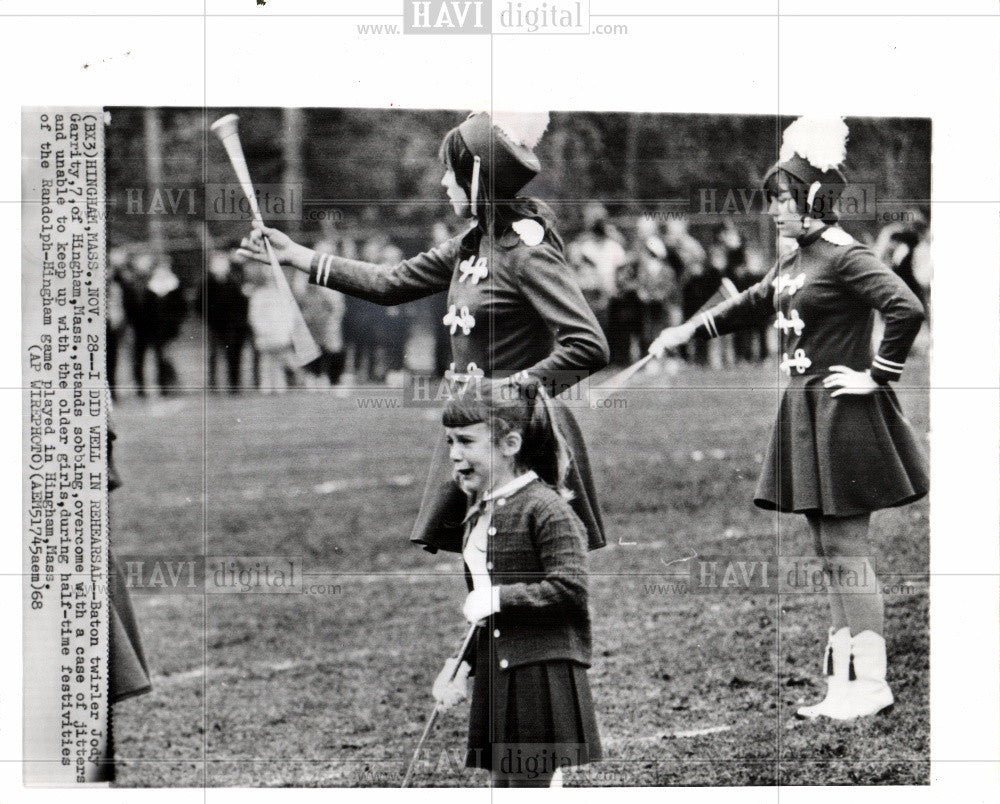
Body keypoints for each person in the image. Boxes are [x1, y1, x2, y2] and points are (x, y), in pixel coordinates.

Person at [649, 117, 928, 721]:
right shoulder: (798, 258)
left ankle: (872, 685)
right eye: (772, 200)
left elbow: (906, 306)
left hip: (846, 412)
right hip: (806, 411)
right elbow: (753, 304)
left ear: (812, 199)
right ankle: (842, 685)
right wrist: (686, 332)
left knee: (847, 549)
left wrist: (877, 374)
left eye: (781, 199)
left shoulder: (845, 256)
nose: (773, 211)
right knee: (828, 550)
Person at [238, 110, 610, 552]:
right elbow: (390, 283)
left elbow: (589, 346)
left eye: (451, 173)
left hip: (520, 435)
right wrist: (296, 254)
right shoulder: (472, 243)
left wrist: (510, 391)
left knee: (518, 575)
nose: (443, 184)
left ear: (476, 177)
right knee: (484, 568)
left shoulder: (525, 252)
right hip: (478, 427)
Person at [430, 379, 602, 787]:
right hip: (500, 673)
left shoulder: (546, 508)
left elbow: (570, 590)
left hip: (539, 679)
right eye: (451, 442)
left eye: (467, 442)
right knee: (505, 789)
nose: (455, 455)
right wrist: (462, 665)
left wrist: (498, 598)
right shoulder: (479, 511)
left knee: (528, 789)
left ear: (509, 444)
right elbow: (485, 612)